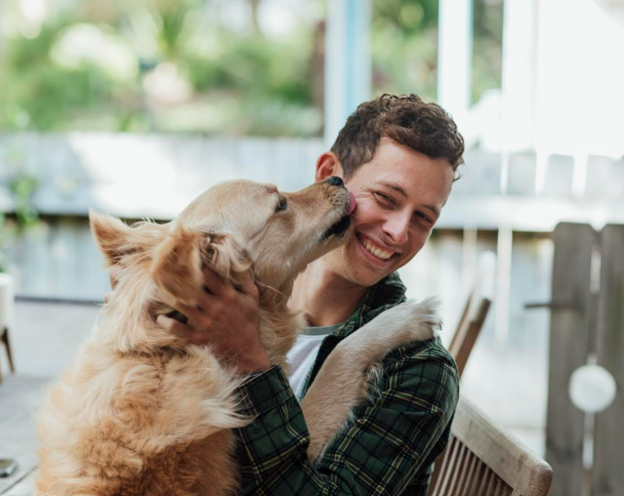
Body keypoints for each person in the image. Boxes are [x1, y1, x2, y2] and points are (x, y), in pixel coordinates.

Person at [118, 94, 464, 495]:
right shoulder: (213, 303)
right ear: (329, 174)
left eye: (423, 218)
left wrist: (249, 361)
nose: (398, 232)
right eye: (386, 198)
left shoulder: (417, 368)